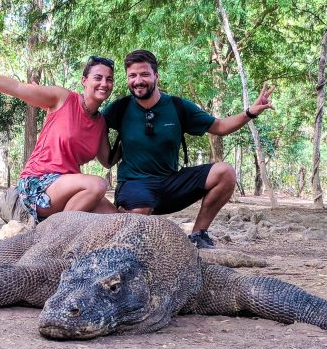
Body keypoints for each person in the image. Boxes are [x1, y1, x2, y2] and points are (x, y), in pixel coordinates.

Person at [103, 49, 274, 249]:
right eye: (132, 75)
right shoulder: (120, 107)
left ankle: (198, 235)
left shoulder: (177, 106)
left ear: (156, 75)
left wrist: (249, 113)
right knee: (137, 229)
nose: (138, 80)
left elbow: (219, 127)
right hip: (135, 184)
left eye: (144, 74)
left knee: (225, 172)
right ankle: (122, 218)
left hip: (171, 183)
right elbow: (92, 126)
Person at [0, 54, 118, 222]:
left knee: (117, 219)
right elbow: (16, 87)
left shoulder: (100, 123)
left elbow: (107, 161)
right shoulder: (62, 98)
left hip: (70, 190)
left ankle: (62, 225)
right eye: (98, 77)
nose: (104, 83)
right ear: (84, 81)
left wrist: (131, 134)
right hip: (38, 184)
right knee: (98, 185)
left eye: (109, 79)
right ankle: (54, 235)